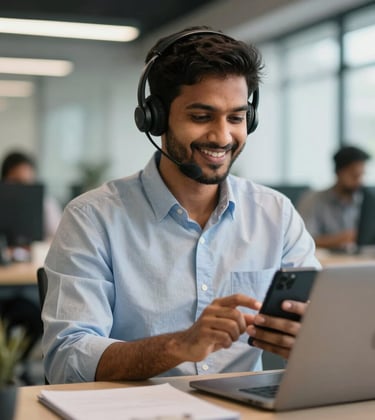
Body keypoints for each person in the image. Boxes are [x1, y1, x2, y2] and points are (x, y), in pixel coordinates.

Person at [42, 26, 320, 384]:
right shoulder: (92, 218)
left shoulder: (276, 215)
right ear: (155, 118)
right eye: (201, 117)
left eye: (236, 118)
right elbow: (66, 360)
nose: (222, 137)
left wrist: (311, 338)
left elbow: (322, 325)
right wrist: (180, 345)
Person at [298, 145, 371, 251]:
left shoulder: (367, 200)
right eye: (354, 175)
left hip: (361, 261)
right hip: (325, 264)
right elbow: (303, 240)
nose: (359, 181)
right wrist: (341, 239)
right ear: (338, 172)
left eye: (361, 175)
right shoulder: (313, 200)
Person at [1, 150, 62, 241]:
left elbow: (58, 237)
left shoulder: (47, 203)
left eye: (28, 183)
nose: (22, 188)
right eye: (17, 182)